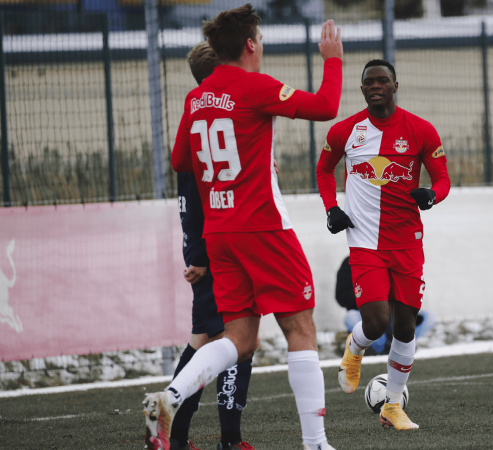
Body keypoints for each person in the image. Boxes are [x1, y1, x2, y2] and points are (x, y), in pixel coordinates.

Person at [143, 5, 343, 450]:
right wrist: (333, 57)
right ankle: (315, 443)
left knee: (239, 339)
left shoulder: (196, 98)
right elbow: (326, 106)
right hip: (263, 227)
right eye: (261, 38)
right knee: (300, 329)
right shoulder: (255, 87)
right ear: (251, 44)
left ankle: (170, 396)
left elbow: (180, 161)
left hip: (219, 231)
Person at [316, 59, 451, 431]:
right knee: (376, 321)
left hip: (407, 242)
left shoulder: (421, 130)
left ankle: (393, 406)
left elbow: (442, 179)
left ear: (395, 85)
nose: (375, 86)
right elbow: (324, 170)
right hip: (364, 241)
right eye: (368, 82)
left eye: (382, 80)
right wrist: (332, 209)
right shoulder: (346, 130)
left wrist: (431, 195)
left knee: (405, 327)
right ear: (362, 90)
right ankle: (355, 347)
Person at [171, 41, 254, 450]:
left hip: (208, 251)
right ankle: (230, 440)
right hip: (215, 255)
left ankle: (174, 431)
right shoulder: (208, 119)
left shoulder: (197, 115)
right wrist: (200, 257)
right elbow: (200, 198)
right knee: (236, 343)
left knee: (202, 343)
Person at [335, 256, 436, 355]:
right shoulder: (351, 262)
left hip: (393, 316)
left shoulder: (392, 260)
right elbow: (341, 297)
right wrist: (369, 293)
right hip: (365, 317)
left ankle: (401, 344)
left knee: (428, 316)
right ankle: (380, 347)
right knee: (350, 316)